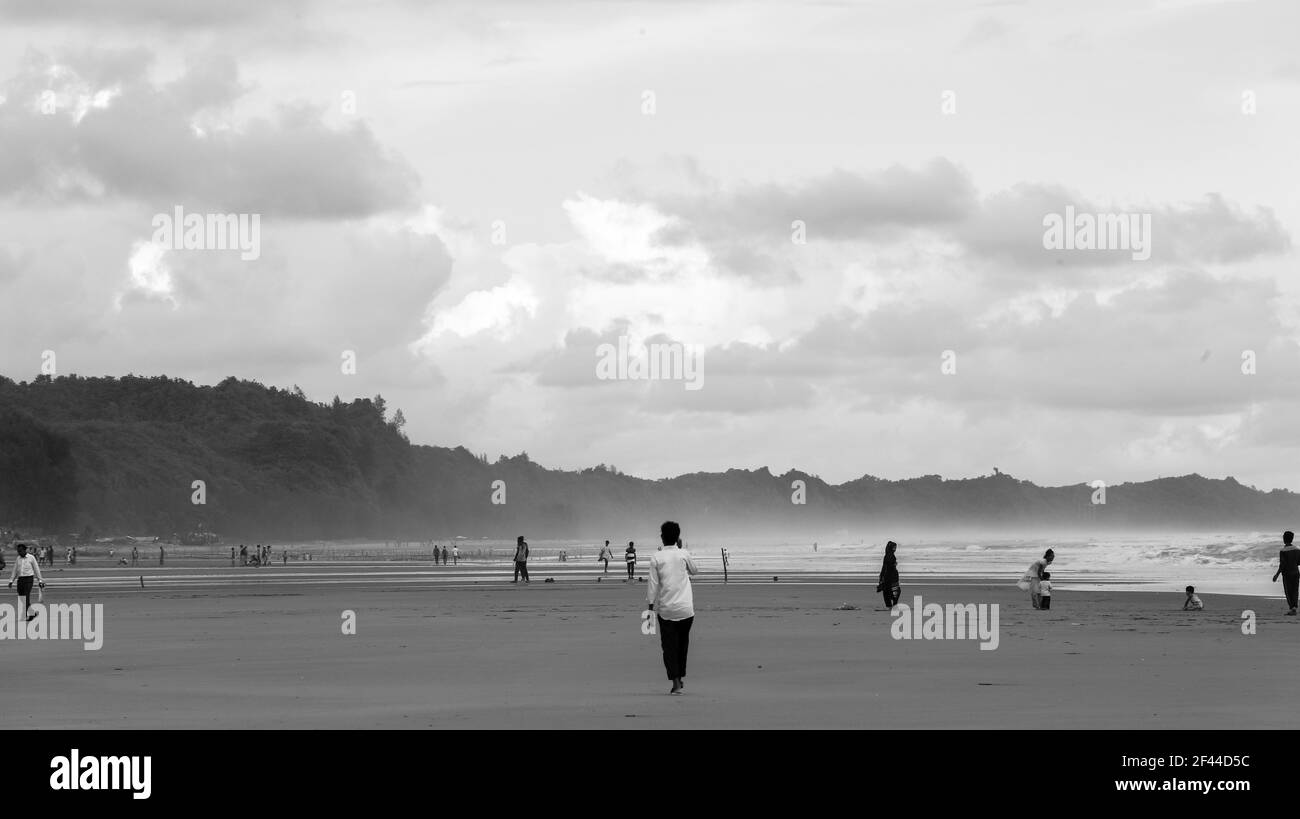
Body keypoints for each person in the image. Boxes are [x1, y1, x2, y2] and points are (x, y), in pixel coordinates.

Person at [646, 521, 699, 695]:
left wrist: (650, 607)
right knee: (683, 645)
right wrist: (682, 549)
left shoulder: (656, 557)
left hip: (666, 610)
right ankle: (680, 676)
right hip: (686, 609)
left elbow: (653, 585)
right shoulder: (684, 553)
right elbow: (694, 571)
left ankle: (676, 682)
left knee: (669, 647)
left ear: (662, 537)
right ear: (678, 537)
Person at [8, 543, 45, 621]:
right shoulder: (18, 558)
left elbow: (36, 569)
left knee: (26, 596)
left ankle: (26, 614)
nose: (19, 553)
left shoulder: (31, 558)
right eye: (18, 551)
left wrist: (40, 580)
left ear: (25, 550)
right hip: (20, 580)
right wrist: (11, 580)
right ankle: (32, 613)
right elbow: (15, 570)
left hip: (29, 579)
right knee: (21, 598)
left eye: (20, 551)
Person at [1272, 530, 1299, 616]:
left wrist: (1277, 574)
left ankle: (1292, 609)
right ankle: (1294, 607)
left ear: (1284, 539)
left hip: (1287, 574)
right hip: (1296, 572)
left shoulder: (1283, 551)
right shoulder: (1297, 549)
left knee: (1288, 591)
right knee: (1295, 590)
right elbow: (1299, 562)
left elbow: (1282, 565)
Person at [877, 541, 901, 609]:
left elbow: (885, 567)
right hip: (890, 576)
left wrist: (881, 576)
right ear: (891, 548)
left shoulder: (888, 555)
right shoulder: (890, 555)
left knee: (887, 590)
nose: (895, 549)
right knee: (895, 590)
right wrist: (894, 564)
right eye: (894, 548)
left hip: (888, 576)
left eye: (895, 547)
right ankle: (893, 605)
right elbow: (889, 567)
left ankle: (890, 605)